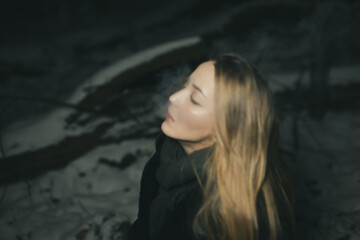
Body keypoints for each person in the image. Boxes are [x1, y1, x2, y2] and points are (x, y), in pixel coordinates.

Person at [127, 53, 296, 240]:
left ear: (226, 130)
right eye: (185, 85)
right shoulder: (167, 156)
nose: (174, 97)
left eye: (195, 99)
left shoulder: (222, 217)